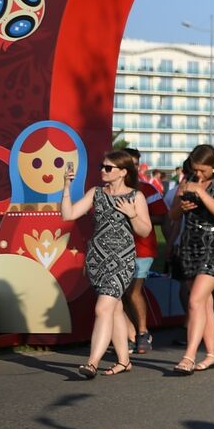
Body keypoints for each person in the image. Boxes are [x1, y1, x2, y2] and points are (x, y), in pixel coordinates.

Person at [59, 150, 153, 378]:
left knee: (103, 308)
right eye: (102, 166)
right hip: (97, 259)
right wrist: (66, 187)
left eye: (108, 168)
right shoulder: (96, 193)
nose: (102, 170)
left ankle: (91, 363)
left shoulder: (135, 197)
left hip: (122, 260)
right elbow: (68, 215)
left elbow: (145, 230)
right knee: (115, 309)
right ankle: (123, 361)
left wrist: (132, 215)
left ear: (123, 172)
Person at [168, 145, 214, 374]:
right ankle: (212, 353)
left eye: (202, 170)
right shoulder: (187, 181)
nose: (198, 174)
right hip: (190, 244)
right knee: (204, 303)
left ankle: (188, 356)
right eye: (195, 169)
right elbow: (172, 214)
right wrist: (182, 205)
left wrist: (201, 192)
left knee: (195, 300)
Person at [122, 148, 167, 355]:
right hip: (117, 249)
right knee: (119, 294)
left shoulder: (147, 190)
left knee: (133, 290)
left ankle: (142, 333)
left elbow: (163, 216)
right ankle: (130, 334)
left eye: (135, 164)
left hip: (142, 248)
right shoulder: (109, 190)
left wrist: (138, 217)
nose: (133, 168)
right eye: (128, 163)